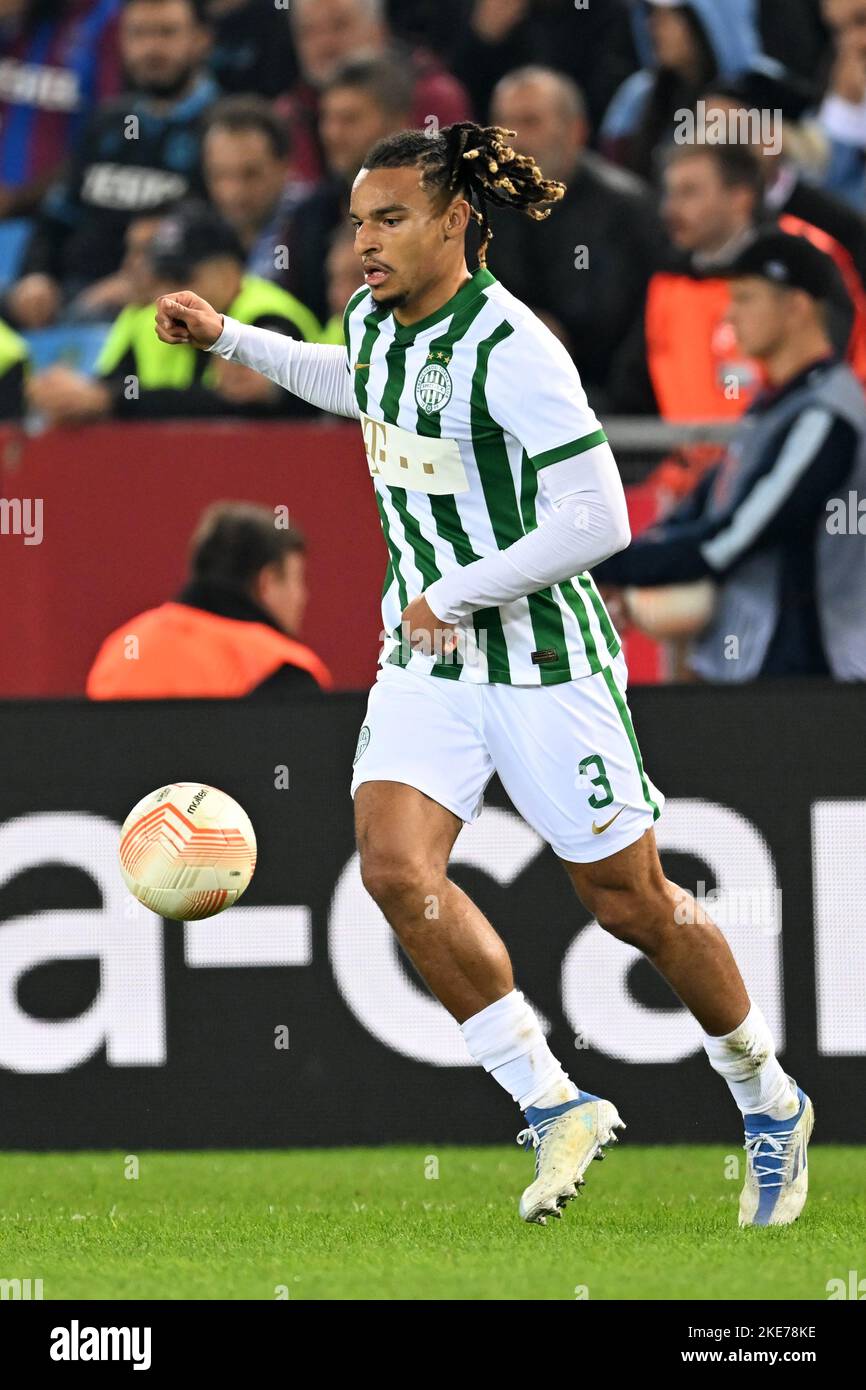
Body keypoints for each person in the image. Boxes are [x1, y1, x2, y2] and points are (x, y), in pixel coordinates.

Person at [154, 120, 814, 1229]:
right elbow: (351, 377)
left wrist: (456, 590)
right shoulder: (377, 323)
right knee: (392, 867)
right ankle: (551, 1099)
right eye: (357, 221)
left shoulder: (513, 348)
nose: (363, 243)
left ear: (457, 221)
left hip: (543, 662)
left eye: (390, 220)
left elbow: (598, 516)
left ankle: (764, 1097)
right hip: (427, 660)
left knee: (632, 905)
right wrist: (231, 337)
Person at [596, 231, 866, 682]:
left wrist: (595, 567)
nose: (729, 315)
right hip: (758, 665)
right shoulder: (772, 406)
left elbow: (727, 541)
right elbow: (699, 512)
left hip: (815, 674)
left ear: (797, 307)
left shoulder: (826, 417)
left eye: (745, 298)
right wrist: (626, 566)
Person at [4, 0, 216, 329]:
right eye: (139, 34)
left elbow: (221, 235)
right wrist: (37, 275)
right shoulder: (107, 122)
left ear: (202, 39)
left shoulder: (222, 127)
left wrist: (140, 281)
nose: (152, 48)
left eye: (167, 33)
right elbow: (57, 216)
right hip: (67, 298)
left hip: (160, 308)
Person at [27, 201, 321, 423]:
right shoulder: (145, 320)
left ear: (228, 272)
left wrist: (112, 401)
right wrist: (73, 398)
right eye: (163, 276)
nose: (171, 293)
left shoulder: (267, 317)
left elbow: (233, 404)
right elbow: (107, 390)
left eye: (182, 277)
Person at [486, 66, 664, 405]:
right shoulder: (473, 213)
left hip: (617, 411)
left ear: (576, 131)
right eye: (503, 125)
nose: (514, 140)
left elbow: (654, 321)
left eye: (531, 122)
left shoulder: (630, 212)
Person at [86, 501, 332, 698]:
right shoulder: (282, 670)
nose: (303, 597)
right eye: (298, 579)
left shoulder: (118, 651)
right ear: (266, 583)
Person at [279, 0, 471, 185]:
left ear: (378, 30)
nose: (325, 43)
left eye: (340, 25)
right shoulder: (290, 114)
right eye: (308, 31)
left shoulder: (431, 95)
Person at [0, 0, 123, 219]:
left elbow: (120, 135)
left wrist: (19, 198)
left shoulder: (110, 20)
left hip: (55, 219)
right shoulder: (20, 19)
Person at [202, 96, 310, 283]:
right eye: (220, 174)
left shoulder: (315, 226)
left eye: (250, 174)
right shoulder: (200, 235)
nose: (234, 192)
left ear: (284, 166)